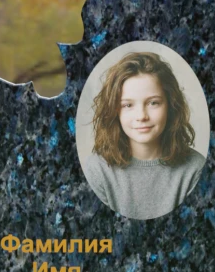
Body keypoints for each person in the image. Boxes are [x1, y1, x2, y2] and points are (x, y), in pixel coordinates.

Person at [84, 52, 205, 220]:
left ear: (170, 106)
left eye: (153, 103)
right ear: (114, 111)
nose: (141, 116)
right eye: (128, 105)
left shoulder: (195, 169)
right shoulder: (96, 170)